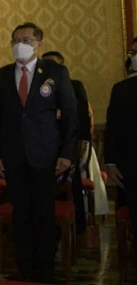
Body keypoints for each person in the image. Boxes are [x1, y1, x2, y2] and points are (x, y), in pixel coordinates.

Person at [0, 22, 77, 283]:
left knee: (43, 212)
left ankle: (46, 268)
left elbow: (70, 116)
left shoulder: (55, 72)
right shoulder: (1, 76)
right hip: (13, 157)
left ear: (39, 44)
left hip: (46, 154)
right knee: (21, 213)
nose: (19, 44)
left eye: (26, 39)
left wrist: (67, 153)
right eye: (15, 39)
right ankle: (24, 267)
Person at [41, 50, 101, 232]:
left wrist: (82, 141)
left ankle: (78, 227)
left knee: (71, 186)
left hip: (68, 144)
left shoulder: (74, 85)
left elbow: (81, 115)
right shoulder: (39, 87)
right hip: (44, 145)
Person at [106, 44, 137, 284]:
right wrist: (111, 162)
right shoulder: (122, 89)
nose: (133, 58)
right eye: (133, 53)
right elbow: (113, 128)